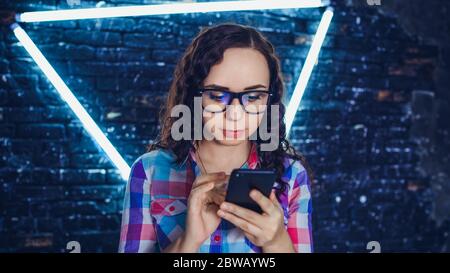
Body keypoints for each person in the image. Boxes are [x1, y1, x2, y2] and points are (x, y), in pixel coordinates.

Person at [118, 23, 313, 253]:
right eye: (218, 96)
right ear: (194, 96)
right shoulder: (149, 171)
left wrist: (275, 241)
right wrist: (189, 241)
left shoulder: (292, 176)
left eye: (253, 97)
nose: (234, 114)